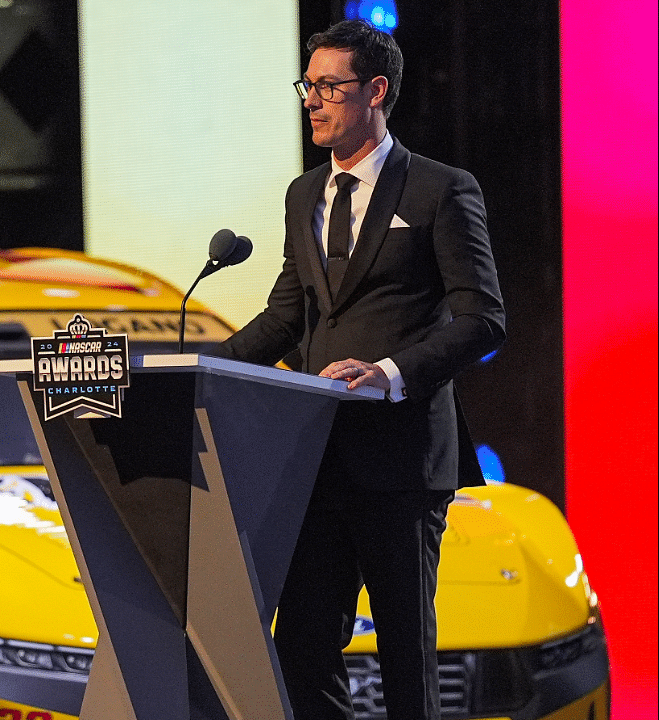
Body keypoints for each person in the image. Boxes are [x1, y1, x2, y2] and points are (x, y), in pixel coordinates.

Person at [215, 20, 505, 720]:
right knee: (304, 648)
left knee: (407, 659)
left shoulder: (442, 190)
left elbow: (482, 320)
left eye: (328, 87)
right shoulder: (302, 194)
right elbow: (286, 318)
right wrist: (193, 369)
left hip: (402, 462)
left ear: (375, 90)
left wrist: (388, 372)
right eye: (306, 86)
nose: (311, 101)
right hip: (314, 460)